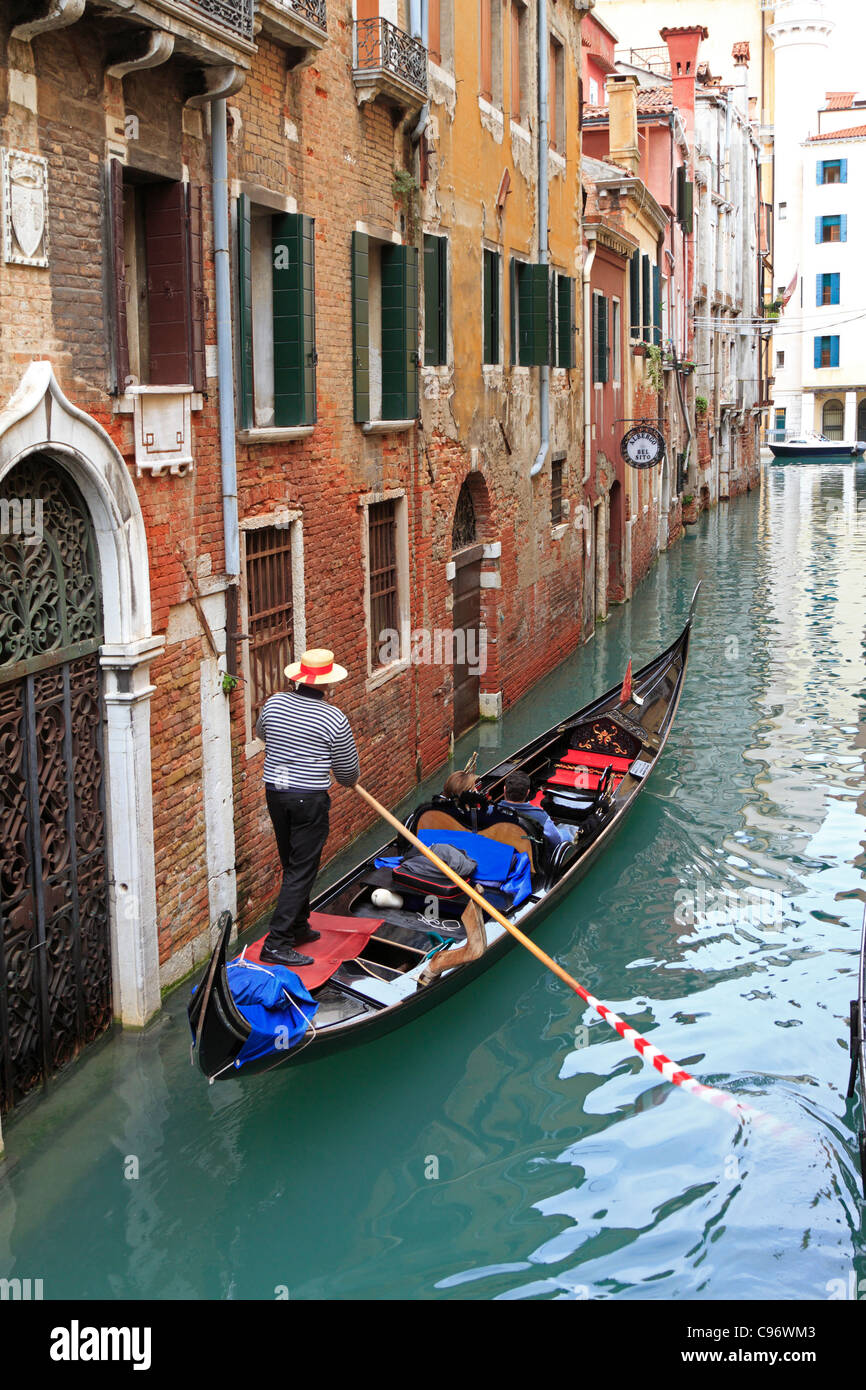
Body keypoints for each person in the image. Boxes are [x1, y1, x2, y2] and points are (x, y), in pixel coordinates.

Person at [255, 648, 360, 967]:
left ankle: (298, 926)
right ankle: (277, 941)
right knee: (302, 867)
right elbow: (347, 772)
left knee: (291, 861)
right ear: (327, 684)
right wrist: (346, 777)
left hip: (276, 792)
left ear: (299, 678)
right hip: (308, 798)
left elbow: (262, 734)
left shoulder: (273, 703)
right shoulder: (333, 718)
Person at [497, 770, 577, 847]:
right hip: (530, 855)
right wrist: (566, 835)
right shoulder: (541, 817)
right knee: (569, 831)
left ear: (504, 789)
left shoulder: (489, 811)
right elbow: (556, 841)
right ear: (528, 792)